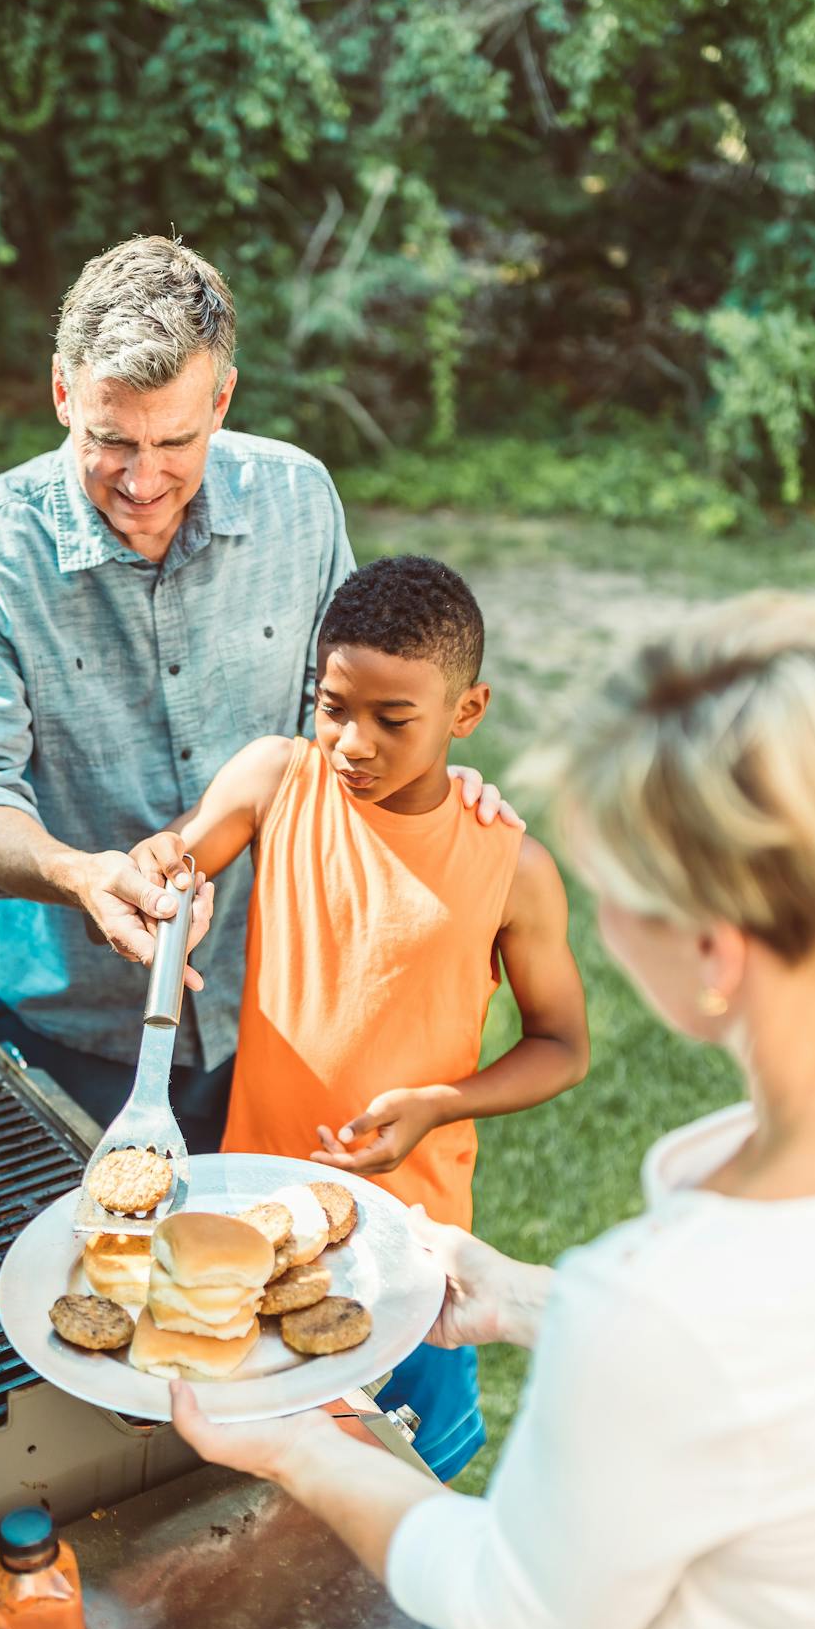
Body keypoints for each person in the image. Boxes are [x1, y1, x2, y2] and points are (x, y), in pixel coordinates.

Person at [169, 590, 815, 1629]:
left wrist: (296, 1444)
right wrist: (534, 1301)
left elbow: (511, 1604)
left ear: (709, 953)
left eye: (615, 890)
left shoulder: (653, 1309)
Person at [0, 235, 515, 1144]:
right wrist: (80, 875)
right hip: (62, 1022)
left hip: (271, 1000)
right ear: (63, 393)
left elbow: (345, 712)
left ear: (222, 399)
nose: (142, 479)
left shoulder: (300, 501)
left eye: (176, 441)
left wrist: (434, 787)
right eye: (110, 440)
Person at [132, 555, 589, 1477]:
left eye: (394, 720)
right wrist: (164, 883)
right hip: (253, 1216)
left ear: (467, 713)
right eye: (334, 706)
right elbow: (176, 857)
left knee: (401, 1469)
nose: (352, 743)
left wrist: (440, 1103)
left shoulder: (513, 869)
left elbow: (562, 1045)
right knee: (251, 1478)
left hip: (413, 1244)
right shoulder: (274, 780)